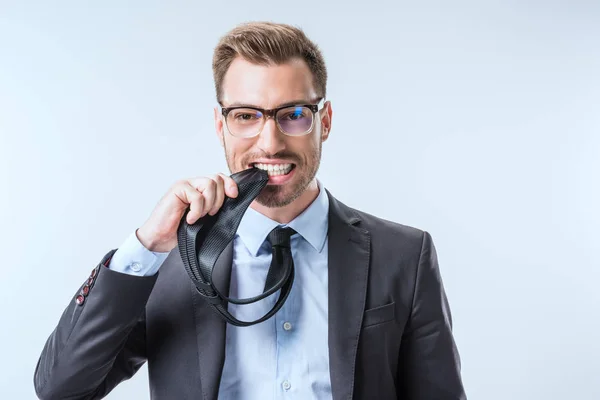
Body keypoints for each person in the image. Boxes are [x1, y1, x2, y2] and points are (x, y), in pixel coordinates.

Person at [34, 21, 466, 400]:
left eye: (293, 114)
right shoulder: (170, 262)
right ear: (221, 125)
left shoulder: (404, 255)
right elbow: (61, 388)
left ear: (325, 121)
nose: (270, 143)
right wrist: (147, 246)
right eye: (246, 116)